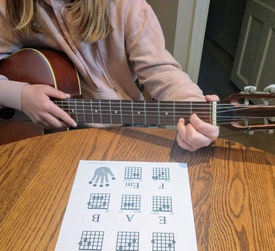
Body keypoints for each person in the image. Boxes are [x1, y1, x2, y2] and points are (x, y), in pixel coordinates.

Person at [0, 0, 219, 151]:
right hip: (53, 142)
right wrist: (20, 96)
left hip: (128, 131)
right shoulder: (11, 7)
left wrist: (195, 107)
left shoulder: (127, 6)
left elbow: (161, 70)